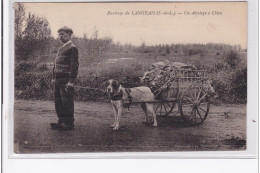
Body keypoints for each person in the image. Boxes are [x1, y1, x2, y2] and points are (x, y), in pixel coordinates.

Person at [50, 26, 79, 130]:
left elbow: (74, 66)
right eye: (59, 34)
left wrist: (71, 81)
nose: (61, 36)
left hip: (66, 79)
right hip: (58, 79)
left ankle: (69, 123)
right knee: (58, 101)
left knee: (67, 102)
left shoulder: (72, 48)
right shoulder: (61, 48)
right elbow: (56, 64)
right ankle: (61, 121)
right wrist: (54, 77)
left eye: (63, 34)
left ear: (70, 35)